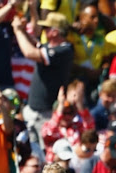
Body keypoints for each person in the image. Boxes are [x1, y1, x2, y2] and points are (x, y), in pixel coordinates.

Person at [12, 12, 75, 142]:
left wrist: (17, 31)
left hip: (46, 113)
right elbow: (36, 45)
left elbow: (30, 53)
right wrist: (23, 31)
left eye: (47, 28)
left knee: (42, 151)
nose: (44, 31)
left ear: (55, 32)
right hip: (32, 109)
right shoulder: (52, 47)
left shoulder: (64, 50)